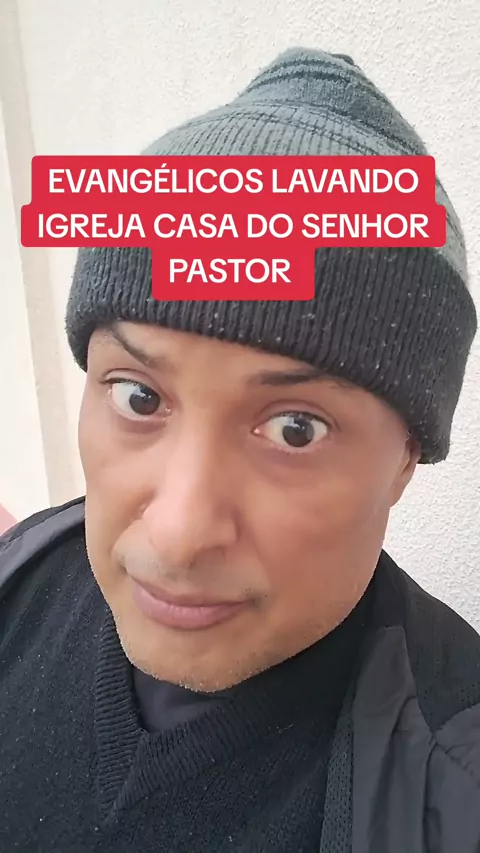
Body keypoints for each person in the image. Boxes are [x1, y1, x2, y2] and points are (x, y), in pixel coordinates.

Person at [0, 46, 479, 853]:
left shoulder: (453, 788)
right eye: (138, 397)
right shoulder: (22, 575)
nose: (178, 534)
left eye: (295, 429)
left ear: (405, 458)